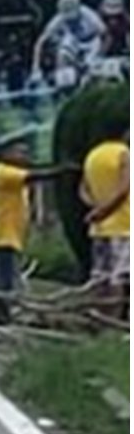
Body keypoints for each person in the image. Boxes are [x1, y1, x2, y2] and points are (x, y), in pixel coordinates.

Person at [0, 141, 62, 324]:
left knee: (10, 278)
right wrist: (61, 171)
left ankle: (7, 313)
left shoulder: (14, 175)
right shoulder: (3, 172)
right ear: (6, 154)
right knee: (4, 280)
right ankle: (2, 316)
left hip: (12, 236)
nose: (24, 156)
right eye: (20, 152)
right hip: (3, 236)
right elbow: (35, 176)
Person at [80, 129, 129, 320]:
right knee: (119, 278)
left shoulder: (93, 155)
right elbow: (125, 188)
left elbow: (83, 189)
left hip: (99, 229)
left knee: (100, 277)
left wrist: (95, 208)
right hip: (123, 226)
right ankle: (114, 322)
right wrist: (105, 210)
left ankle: (98, 318)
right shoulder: (124, 154)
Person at [31, 0, 107, 92]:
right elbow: (40, 42)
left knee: (91, 69)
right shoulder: (58, 19)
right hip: (73, 40)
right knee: (62, 54)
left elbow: (105, 35)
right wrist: (35, 68)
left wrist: (100, 54)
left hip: (92, 41)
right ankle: (65, 84)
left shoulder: (89, 14)